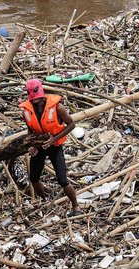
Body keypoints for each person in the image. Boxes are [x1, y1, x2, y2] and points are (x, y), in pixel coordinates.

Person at [19, 79, 81, 216]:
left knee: (62, 180)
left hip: (55, 147)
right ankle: (44, 200)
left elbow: (71, 124)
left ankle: (76, 206)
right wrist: (31, 145)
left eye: (38, 100)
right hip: (40, 147)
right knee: (34, 178)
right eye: (34, 101)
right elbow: (30, 130)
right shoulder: (26, 111)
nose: (37, 103)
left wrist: (54, 139)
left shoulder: (57, 107)